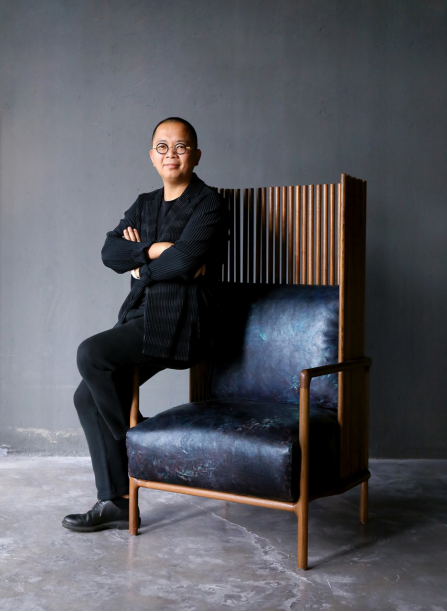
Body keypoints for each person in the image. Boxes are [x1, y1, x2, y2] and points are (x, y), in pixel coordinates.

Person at [62, 117, 228, 532]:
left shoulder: (208, 203)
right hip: (139, 316)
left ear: (196, 155)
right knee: (87, 398)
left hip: (183, 321)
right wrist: (155, 250)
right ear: (152, 156)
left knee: (91, 353)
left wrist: (140, 268)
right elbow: (110, 252)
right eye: (162, 147)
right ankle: (117, 502)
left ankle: (145, 440)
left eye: (181, 146)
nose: (171, 154)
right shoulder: (144, 204)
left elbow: (185, 261)